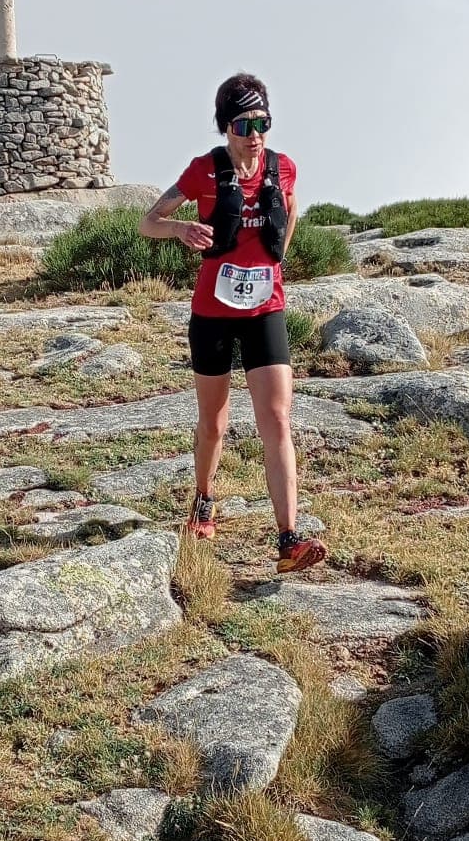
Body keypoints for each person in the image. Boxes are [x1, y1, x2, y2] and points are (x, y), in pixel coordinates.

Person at [139, 73, 328, 574]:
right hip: (213, 313)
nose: (255, 132)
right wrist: (179, 228)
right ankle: (204, 500)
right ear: (226, 125)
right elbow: (147, 221)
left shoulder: (282, 167)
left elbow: (289, 209)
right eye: (245, 122)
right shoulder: (204, 170)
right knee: (215, 423)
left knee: (278, 419)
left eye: (263, 121)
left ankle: (289, 538)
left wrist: (277, 255)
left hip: (266, 308)